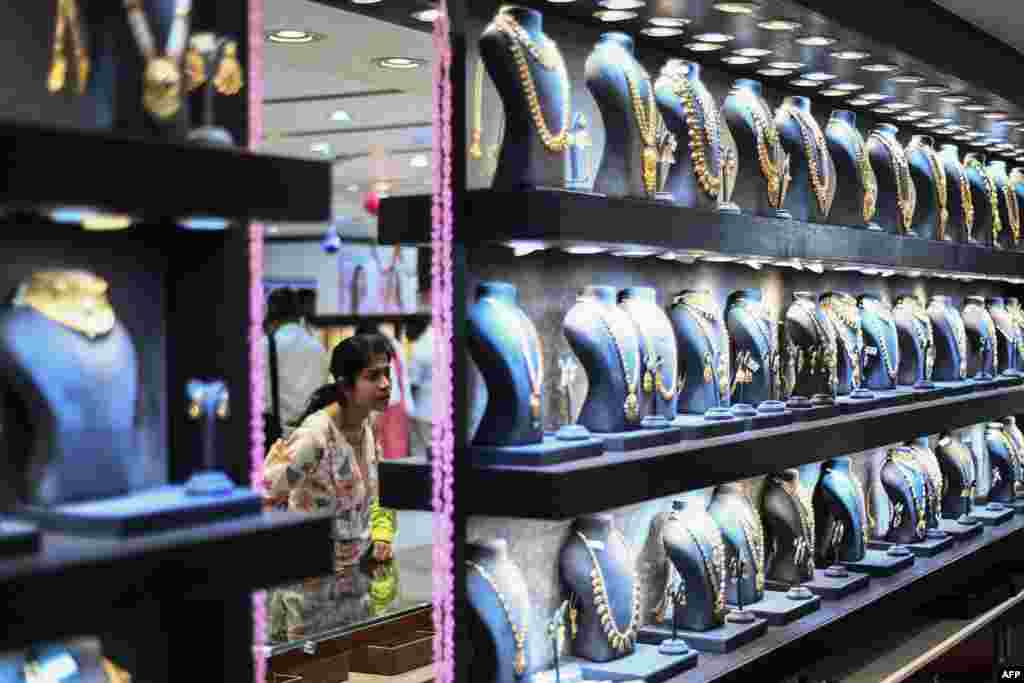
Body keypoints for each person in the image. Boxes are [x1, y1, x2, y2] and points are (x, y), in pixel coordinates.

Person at [264, 333, 397, 568]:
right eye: (373, 376)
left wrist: (381, 535)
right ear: (345, 386)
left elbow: (380, 492)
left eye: (387, 373)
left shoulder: (367, 426)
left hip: (356, 576)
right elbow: (267, 494)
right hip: (311, 580)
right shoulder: (315, 437)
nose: (385, 383)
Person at [264, 287, 330, 438]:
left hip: (277, 438)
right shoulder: (318, 348)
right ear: (298, 314)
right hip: (311, 437)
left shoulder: (264, 346)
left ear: (270, 315)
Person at [406, 319, 434, 460]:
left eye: (408, 327)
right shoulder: (440, 339)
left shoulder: (420, 348)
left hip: (423, 413)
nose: (406, 333)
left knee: (420, 456)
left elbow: (413, 384)